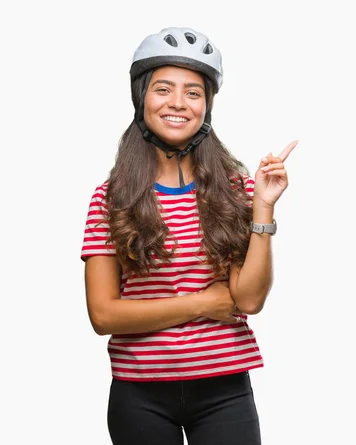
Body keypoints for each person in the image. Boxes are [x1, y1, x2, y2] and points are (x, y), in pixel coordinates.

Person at [80, 26, 297, 445]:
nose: (178, 103)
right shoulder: (110, 199)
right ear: (141, 97)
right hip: (139, 393)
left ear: (207, 105)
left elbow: (248, 300)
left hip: (225, 390)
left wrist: (264, 208)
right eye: (163, 89)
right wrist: (203, 302)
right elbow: (104, 315)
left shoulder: (238, 191)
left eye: (193, 93)